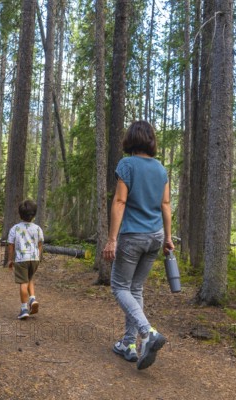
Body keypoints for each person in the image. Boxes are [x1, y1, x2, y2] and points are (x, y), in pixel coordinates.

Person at [103, 120, 174, 370]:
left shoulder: (127, 164)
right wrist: (168, 237)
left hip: (133, 235)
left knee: (119, 287)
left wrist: (112, 239)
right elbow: (165, 205)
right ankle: (129, 344)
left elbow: (120, 202)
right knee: (136, 289)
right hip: (155, 236)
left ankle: (147, 332)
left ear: (130, 140)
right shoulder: (160, 169)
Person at [7, 199, 44, 320]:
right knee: (30, 278)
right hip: (34, 258)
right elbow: (40, 244)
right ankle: (32, 299)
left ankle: (23, 309)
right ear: (34, 214)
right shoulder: (38, 229)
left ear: (20, 213)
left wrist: (10, 260)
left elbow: (11, 246)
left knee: (23, 282)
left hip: (21, 259)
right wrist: (37, 257)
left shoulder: (15, 229)